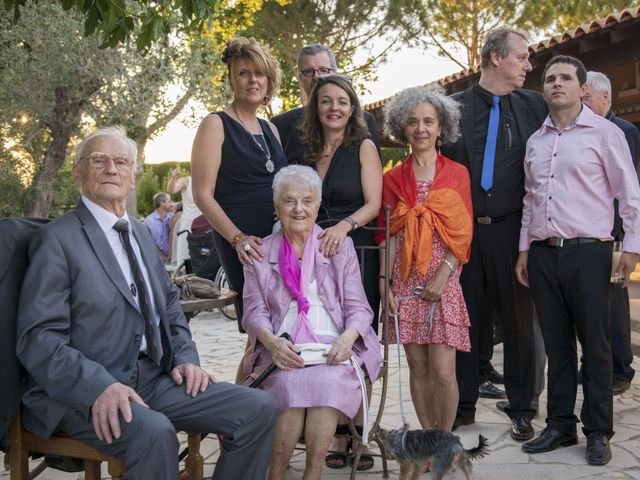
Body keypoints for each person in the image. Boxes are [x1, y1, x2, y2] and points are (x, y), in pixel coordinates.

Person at [15, 127, 278, 479]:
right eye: (99, 161)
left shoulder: (139, 232)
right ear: (78, 173)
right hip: (82, 390)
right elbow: (39, 338)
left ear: (133, 175)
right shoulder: (57, 240)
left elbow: (169, 306)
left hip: (152, 378)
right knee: (155, 434)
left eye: (121, 161)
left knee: (258, 408)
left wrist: (185, 358)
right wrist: (99, 387)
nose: (112, 169)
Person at [517, 55, 640, 465]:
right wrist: (523, 250)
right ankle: (559, 424)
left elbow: (630, 195)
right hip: (542, 254)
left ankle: (598, 430)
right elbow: (530, 201)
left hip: (590, 253)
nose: (555, 84)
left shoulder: (605, 134)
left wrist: (634, 246)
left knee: (597, 346)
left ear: (582, 88)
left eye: (565, 78)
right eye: (549, 79)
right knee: (556, 345)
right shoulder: (536, 140)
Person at [440, 26, 548, 440]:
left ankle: (522, 408)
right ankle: (463, 405)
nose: (528, 65)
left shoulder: (534, 106)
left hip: (513, 233)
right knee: (465, 321)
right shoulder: (452, 109)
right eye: (522, 56)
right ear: (496, 57)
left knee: (521, 323)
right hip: (462, 235)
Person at [241, 165, 381, 480]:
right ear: (277, 207)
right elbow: (253, 311)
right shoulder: (260, 251)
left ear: (318, 206)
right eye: (289, 201)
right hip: (284, 346)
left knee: (328, 383)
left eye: (307, 201)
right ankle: (276, 474)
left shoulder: (337, 245)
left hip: (333, 346)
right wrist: (273, 343)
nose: (299, 209)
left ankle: (312, 475)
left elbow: (360, 307)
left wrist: (347, 338)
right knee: (289, 385)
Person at [377, 85, 473, 432]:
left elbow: (462, 233)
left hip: (443, 278)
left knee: (444, 370)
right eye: (414, 121)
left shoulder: (457, 173)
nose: (421, 128)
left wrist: (443, 274)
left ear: (440, 127)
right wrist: (384, 285)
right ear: (402, 126)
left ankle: (444, 440)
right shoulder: (390, 179)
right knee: (417, 368)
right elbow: (387, 234)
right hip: (404, 281)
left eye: (429, 121)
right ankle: (428, 438)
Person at [299, 73, 383, 470]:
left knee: (357, 337)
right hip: (312, 259)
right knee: (325, 337)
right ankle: (334, 429)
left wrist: (344, 226)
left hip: (355, 253)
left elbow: (374, 203)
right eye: (327, 101)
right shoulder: (304, 150)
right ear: (316, 107)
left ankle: (360, 432)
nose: (335, 108)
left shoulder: (363, 146)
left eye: (343, 102)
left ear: (353, 108)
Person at [191, 37, 287, 325]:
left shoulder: (271, 128)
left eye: (259, 74)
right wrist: (238, 239)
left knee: (280, 324)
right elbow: (202, 194)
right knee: (259, 328)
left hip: (279, 240)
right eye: (243, 73)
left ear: (269, 81)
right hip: (243, 244)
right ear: (233, 80)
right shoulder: (215, 124)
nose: (252, 80)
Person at [584, 70, 640, 396]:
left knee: (615, 303)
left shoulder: (624, 130)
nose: (583, 103)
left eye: (587, 97)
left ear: (605, 98)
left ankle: (621, 369)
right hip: (592, 234)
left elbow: (624, 186)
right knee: (591, 303)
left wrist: (624, 236)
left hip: (615, 234)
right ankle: (592, 366)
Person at [271, 44, 381, 165]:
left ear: (335, 73)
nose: (317, 76)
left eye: (324, 70)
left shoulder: (366, 121)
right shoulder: (280, 125)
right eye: (308, 71)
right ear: (300, 77)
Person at [167, 168, 203, 269]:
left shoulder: (208, 182)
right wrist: (173, 177)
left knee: (203, 260)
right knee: (184, 260)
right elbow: (171, 190)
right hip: (188, 225)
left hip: (203, 226)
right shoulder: (186, 181)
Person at [143, 192, 173, 261]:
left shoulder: (172, 217)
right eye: (169, 201)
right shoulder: (148, 222)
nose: (172, 204)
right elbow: (149, 243)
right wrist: (163, 257)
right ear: (162, 203)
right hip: (156, 259)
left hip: (172, 258)